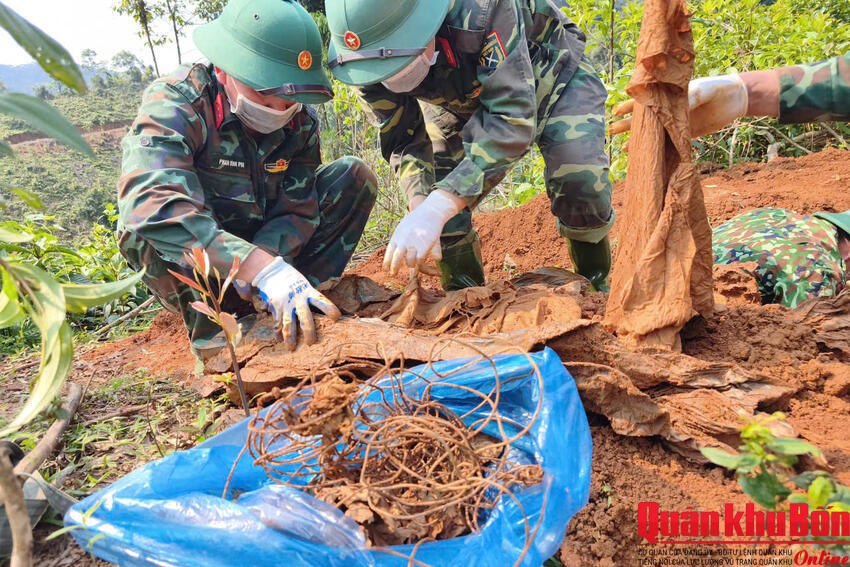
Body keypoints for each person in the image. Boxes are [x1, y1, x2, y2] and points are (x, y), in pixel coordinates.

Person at [117, 0, 378, 364]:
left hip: (264, 241)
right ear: (224, 71)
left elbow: (297, 207)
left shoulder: (299, 120)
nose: (278, 110)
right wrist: (257, 266)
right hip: (200, 257)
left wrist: (272, 264)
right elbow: (153, 205)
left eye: (288, 99)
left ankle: (298, 302)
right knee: (141, 225)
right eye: (262, 95)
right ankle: (214, 336)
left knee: (353, 176)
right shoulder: (177, 104)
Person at [324, 0, 615, 292]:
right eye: (382, 71)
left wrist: (439, 207)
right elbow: (403, 137)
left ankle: (595, 285)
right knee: (441, 197)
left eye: (398, 62)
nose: (390, 75)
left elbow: (511, 120)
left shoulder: (484, 10)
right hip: (454, 100)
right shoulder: (362, 59)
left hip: (551, 71)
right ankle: (463, 295)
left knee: (581, 178)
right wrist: (421, 206)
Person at [611, 53, 850, 307]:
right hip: (696, 311)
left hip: (652, 276)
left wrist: (743, 90)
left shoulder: (771, 214)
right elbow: (803, 330)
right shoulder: (817, 267)